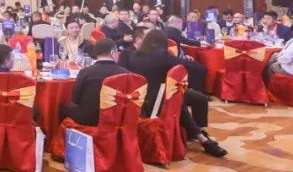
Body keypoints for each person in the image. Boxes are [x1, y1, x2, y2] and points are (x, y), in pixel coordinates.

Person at [127, 29, 226, 158]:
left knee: (193, 99)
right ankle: (200, 134)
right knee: (191, 99)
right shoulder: (164, 58)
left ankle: (199, 135)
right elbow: (198, 68)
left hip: (143, 97)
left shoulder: (133, 56)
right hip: (159, 99)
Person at [58, 39, 127, 127]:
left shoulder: (85, 72)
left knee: (63, 107)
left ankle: (63, 134)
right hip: (116, 117)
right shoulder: (126, 73)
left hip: (89, 118)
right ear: (113, 53)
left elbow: (75, 99)